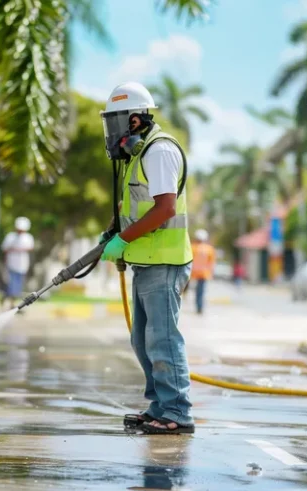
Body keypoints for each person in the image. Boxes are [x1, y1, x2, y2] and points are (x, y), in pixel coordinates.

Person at [98, 82, 195, 435]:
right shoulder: (139, 156)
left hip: (165, 261)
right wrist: (113, 231)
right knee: (142, 341)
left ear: (135, 120)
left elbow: (165, 209)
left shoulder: (159, 151)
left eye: (117, 122)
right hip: (146, 261)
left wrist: (123, 239)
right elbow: (132, 207)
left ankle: (177, 412)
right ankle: (160, 406)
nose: (113, 131)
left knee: (162, 339)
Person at [0, 216, 35, 310]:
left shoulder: (28, 237)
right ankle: (12, 304)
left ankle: (6, 297)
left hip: (22, 265)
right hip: (11, 264)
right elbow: (4, 249)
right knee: (12, 284)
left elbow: (30, 247)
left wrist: (19, 249)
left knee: (18, 286)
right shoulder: (10, 237)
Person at [191, 229, 216, 314]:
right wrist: (211, 273)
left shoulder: (193, 247)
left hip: (194, 273)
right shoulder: (209, 249)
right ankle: (200, 307)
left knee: (197, 291)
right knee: (201, 291)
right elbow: (211, 262)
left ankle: (199, 306)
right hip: (204, 274)